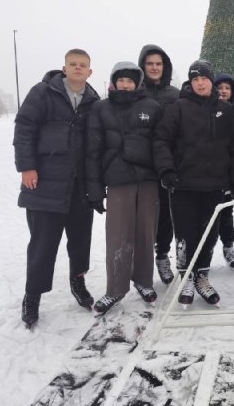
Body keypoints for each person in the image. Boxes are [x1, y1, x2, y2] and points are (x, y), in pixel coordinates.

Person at [13, 48, 100, 328]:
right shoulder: (42, 93)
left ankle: (78, 282)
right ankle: (32, 296)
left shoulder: (94, 101)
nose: (78, 68)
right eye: (73, 64)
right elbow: (24, 128)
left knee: (80, 241)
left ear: (90, 71)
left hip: (79, 185)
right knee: (43, 244)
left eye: (83, 65)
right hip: (45, 183)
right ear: (64, 68)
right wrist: (27, 166)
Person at [154, 60, 234, 306]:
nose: (200, 83)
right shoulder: (178, 108)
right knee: (185, 235)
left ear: (211, 81)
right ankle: (186, 278)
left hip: (214, 185)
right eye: (195, 79)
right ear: (190, 83)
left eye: (204, 78)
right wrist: (166, 169)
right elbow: (161, 140)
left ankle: (202, 276)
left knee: (209, 234)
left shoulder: (226, 110)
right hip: (183, 185)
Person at [86, 62, 162, 314]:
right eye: (121, 80)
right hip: (118, 180)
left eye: (130, 81)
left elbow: (161, 144)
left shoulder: (152, 107)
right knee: (118, 236)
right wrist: (95, 188)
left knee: (146, 233)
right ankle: (115, 289)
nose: (125, 85)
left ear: (138, 83)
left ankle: (143, 281)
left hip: (148, 180)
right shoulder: (101, 108)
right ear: (114, 82)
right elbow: (93, 150)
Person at [138, 44, 180, 285]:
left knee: (165, 216)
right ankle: (141, 265)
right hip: (141, 166)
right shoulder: (136, 92)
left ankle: (162, 256)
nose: (154, 68)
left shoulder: (174, 95)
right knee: (143, 219)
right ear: (143, 66)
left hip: (166, 165)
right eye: (150, 63)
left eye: (158, 64)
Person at [214, 73, 234, 269]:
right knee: (207, 216)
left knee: (226, 214)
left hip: (227, 172)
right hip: (207, 173)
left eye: (227, 88)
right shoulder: (206, 109)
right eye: (220, 87)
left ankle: (229, 248)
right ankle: (204, 252)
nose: (223, 91)